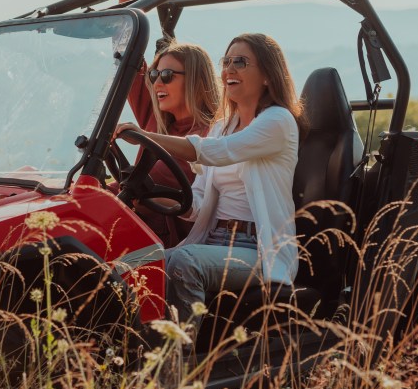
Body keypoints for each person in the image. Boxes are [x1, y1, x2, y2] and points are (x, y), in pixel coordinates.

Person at [115, 33, 304, 319]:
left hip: (256, 249)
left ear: (267, 75)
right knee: (125, 267)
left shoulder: (277, 121)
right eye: (226, 61)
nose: (229, 69)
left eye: (240, 61)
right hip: (212, 239)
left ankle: (178, 356)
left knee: (183, 261)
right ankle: (128, 352)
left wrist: (144, 137)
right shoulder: (222, 127)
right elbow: (198, 204)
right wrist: (148, 195)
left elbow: (214, 152)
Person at [114, 0, 221, 247]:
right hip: (131, 225)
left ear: (196, 82)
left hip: (167, 243)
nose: (157, 83)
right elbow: (128, 64)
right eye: (154, 74)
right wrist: (127, 1)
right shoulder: (157, 119)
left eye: (167, 76)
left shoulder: (213, 136)